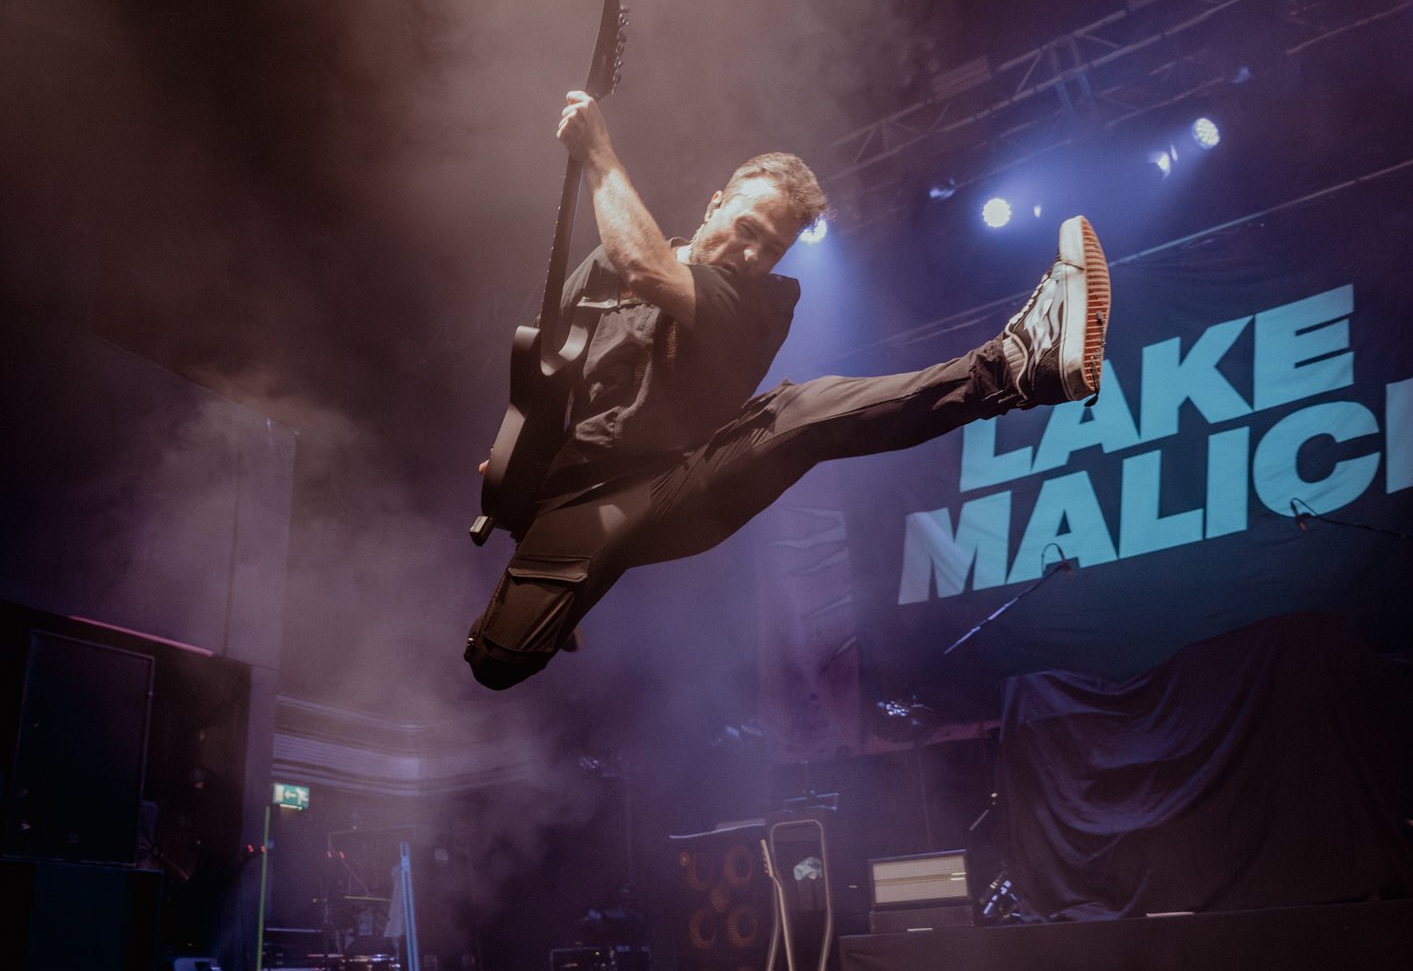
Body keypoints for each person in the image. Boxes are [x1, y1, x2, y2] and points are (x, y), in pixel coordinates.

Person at [465, 89, 1110, 690]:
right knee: (494, 663)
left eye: (771, 249)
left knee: (799, 413)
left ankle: (1017, 366)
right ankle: (565, 586)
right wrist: (518, 465)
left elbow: (646, 268)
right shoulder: (601, 267)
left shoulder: (760, 303)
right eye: (747, 231)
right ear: (715, 204)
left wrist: (599, 155)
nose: (752, 257)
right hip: (577, 492)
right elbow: (547, 370)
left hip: (678, 483)